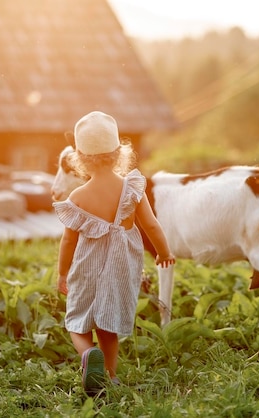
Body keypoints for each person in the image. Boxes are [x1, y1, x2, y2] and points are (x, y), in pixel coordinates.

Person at [53, 111, 175, 395]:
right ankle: (109, 374)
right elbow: (152, 225)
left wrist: (62, 273)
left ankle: (86, 355)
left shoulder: (78, 197)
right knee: (108, 321)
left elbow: (68, 241)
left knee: (77, 320)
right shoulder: (132, 187)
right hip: (122, 267)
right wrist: (164, 252)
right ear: (119, 151)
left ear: (80, 158)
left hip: (87, 269)